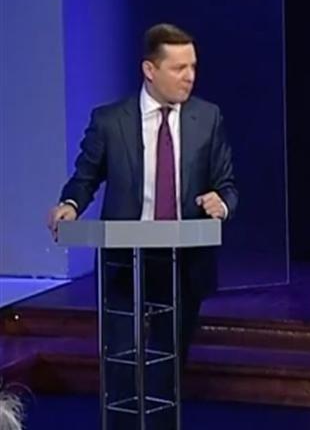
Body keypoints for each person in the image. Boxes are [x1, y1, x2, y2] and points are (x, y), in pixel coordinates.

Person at [47, 23, 238, 429]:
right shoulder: (109, 120)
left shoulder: (208, 118)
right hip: (124, 262)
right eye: (179, 68)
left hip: (183, 262)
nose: (190, 76)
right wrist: (70, 205)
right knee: (120, 360)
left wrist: (221, 203)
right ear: (150, 70)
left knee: (168, 367)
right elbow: (85, 177)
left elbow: (227, 185)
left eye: (193, 66)